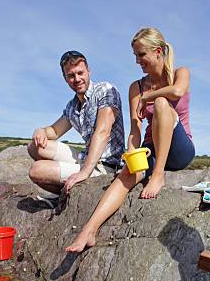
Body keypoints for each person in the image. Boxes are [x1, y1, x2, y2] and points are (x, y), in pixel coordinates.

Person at [66, 27, 195, 252]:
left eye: (141, 54)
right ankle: (89, 231)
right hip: (151, 148)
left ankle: (158, 176)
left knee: (162, 104)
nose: (137, 61)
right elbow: (135, 129)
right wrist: (131, 155)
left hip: (180, 149)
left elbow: (176, 92)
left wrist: (149, 96)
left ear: (157, 51)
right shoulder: (135, 86)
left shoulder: (180, 73)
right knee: (127, 174)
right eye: (135, 55)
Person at [28, 50, 125, 195]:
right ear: (65, 78)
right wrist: (40, 130)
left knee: (36, 170)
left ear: (89, 71)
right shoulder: (72, 106)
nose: (77, 79)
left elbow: (103, 132)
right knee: (34, 147)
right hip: (86, 158)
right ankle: (65, 194)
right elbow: (54, 131)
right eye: (71, 76)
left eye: (81, 73)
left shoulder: (106, 90)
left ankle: (69, 195)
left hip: (106, 165)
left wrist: (85, 172)